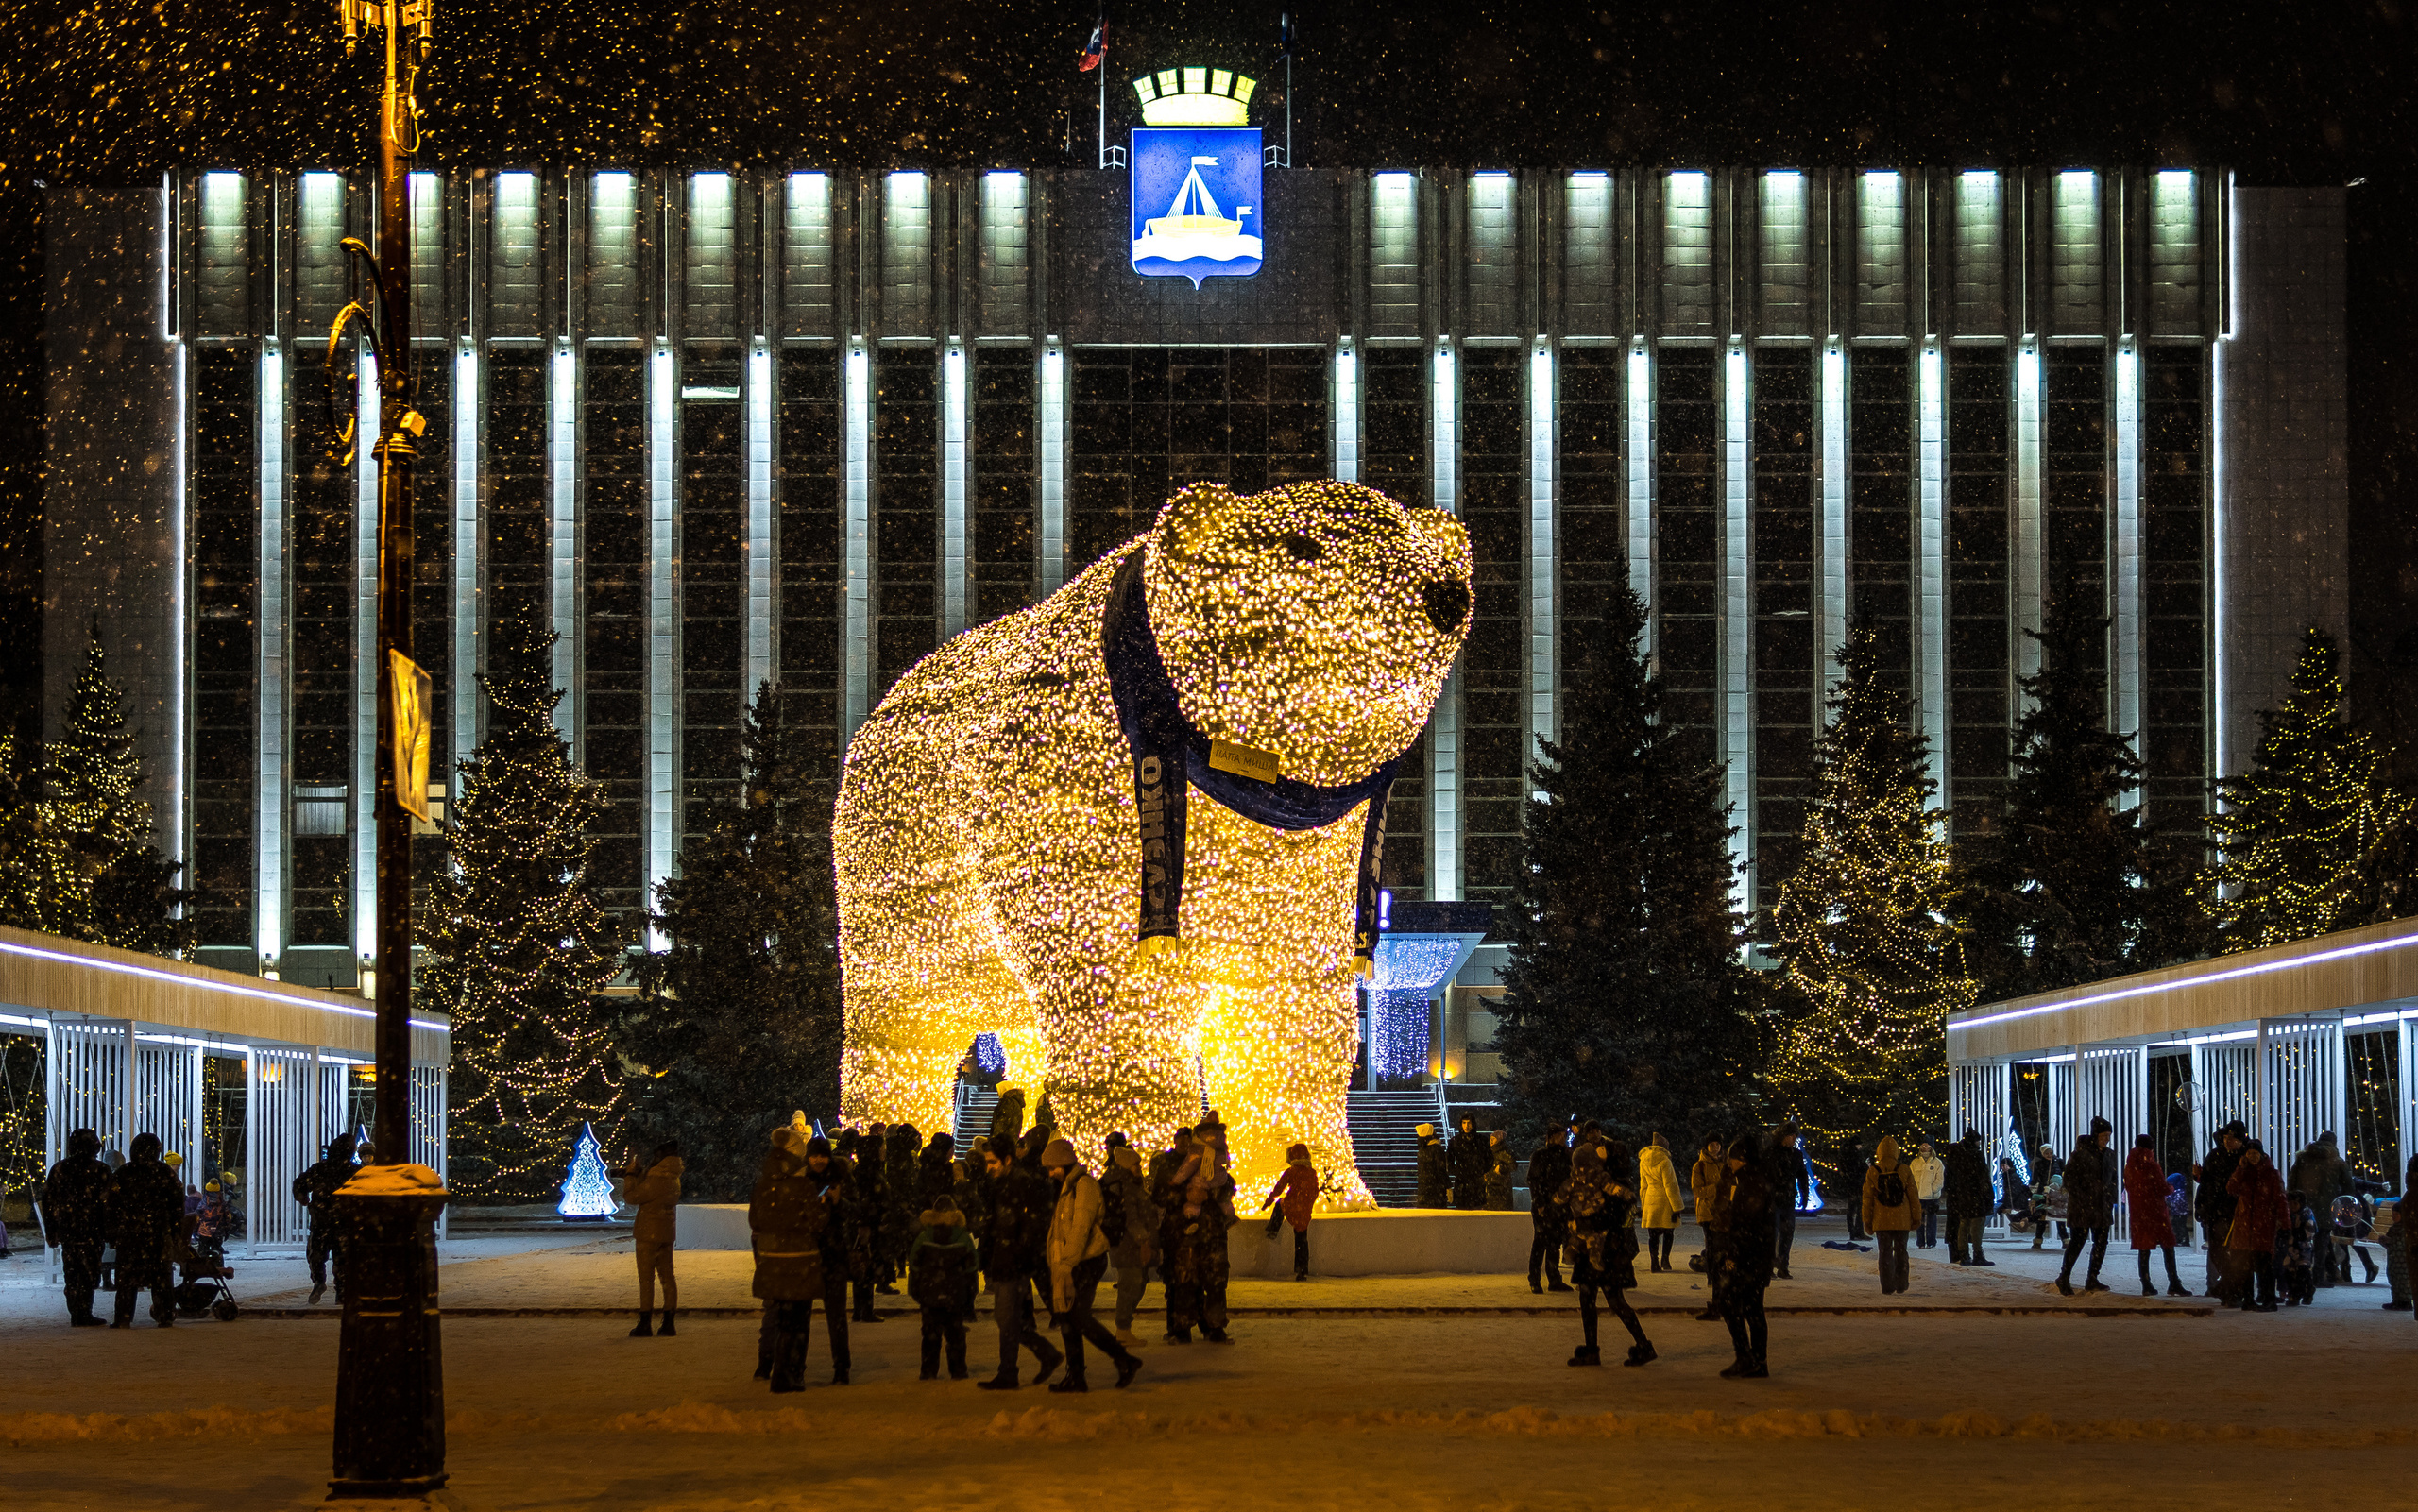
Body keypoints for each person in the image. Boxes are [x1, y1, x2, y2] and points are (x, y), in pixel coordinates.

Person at [1040, 1137, 1144, 1392]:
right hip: (1075, 1260)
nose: (1051, 1172)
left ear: (1064, 1163)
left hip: (1085, 1260)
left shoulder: (1083, 1186)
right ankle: (1079, 1374)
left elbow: (1080, 1229)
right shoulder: (1067, 1187)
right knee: (1069, 1317)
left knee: (1076, 1316)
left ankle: (1122, 1360)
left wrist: (1066, 1265)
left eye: (1053, 1167)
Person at [1558, 1140, 1654, 1368]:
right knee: (1597, 1297)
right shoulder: (1605, 1180)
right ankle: (1612, 1347)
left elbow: (1610, 1216)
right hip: (1605, 1248)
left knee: (1606, 1298)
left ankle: (1632, 1346)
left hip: (1605, 1249)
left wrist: (1582, 1221)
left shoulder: (1610, 1182)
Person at [977, 1132, 1063, 1388]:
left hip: (1013, 1261)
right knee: (1009, 1318)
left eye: (992, 1162)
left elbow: (1028, 1225)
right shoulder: (1005, 1183)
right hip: (1009, 1259)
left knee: (1006, 1317)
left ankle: (1014, 1369)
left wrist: (1016, 1252)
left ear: (1007, 1159)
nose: (988, 1168)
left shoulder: (1019, 1184)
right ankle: (1036, 1358)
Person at [749, 1128, 827, 1392]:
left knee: (776, 1315)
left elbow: (755, 1221)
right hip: (800, 1261)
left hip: (771, 1260)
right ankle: (790, 1372)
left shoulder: (762, 1186)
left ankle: (767, 1365)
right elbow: (817, 1222)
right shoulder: (804, 1187)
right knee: (797, 1321)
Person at [1157, 1124, 1238, 1344]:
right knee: (1185, 1282)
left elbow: (1229, 1186)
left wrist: (1209, 1193)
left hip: (1214, 1237)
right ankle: (1182, 1328)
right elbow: (1163, 1196)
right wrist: (1186, 1193)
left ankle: (1214, 1328)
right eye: (1180, 1139)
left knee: (1216, 1282)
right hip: (1186, 1236)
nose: (1184, 1143)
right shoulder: (1171, 1166)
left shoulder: (1215, 1165)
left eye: (1188, 1139)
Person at [1706, 1128, 1776, 1378]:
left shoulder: (1750, 1183)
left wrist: (1733, 1254)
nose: (1729, 1161)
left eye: (1733, 1158)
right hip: (1758, 1257)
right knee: (1753, 1309)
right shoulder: (1756, 1179)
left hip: (1748, 1258)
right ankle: (1758, 1360)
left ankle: (1747, 1358)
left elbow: (1746, 1224)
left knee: (1730, 1304)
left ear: (1743, 1159)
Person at [106, 1132, 186, 1329]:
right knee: (161, 1277)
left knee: (126, 1279)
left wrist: (113, 1231)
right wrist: (175, 1231)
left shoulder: (123, 1173)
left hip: (130, 1234)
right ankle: (165, 1315)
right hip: (158, 1233)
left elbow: (111, 1204)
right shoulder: (165, 1173)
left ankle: (123, 1317)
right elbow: (177, 1205)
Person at [41, 1127, 112, 1327]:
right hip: (93, 1228)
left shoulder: (60, 1169)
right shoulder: (101, 1170)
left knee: (72, 1271)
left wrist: (52, 1229)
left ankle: (77, 1311)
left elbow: (48, 1201)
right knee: (90, 1271)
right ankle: (84, 1311)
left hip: (69, 1229)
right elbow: (108, 1202)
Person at [908, 1201, 979, 1380]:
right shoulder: (963, 1237)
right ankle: (958, 1370)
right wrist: (969, 1296)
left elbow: (914, 1266)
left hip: (930, 1295)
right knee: (956, 1336)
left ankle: (928, 1371)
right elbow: (972, 1267)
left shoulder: (924, 1236)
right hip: (956, 1296)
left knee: (930, 1336)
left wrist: (919, 1293)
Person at [620, 1140, 683, 1337]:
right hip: (666, 1231)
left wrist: (630, 1176)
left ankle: (645, 1322)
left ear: (660, 1157)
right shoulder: (674, 1177)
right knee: (667, 1277)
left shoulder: (656, 1177)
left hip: (648, 1233)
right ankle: (668, 1322)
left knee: (646, 1278)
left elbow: (632, 1197)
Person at [1100, 1140, 1157, 1341]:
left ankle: (1124, 1326)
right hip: (1127, 1244)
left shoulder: (1129, 1184)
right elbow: (1131, 1217)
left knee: (1137, 1283)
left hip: (1128, 1243)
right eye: (1135, 1165)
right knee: (1131, 1285)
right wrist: (1143, 1240)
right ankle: (1123, 1328)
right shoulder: (1125, 1186)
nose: (1138, 1168)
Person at [293, 1132, 358, 1305]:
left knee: (316, 1254)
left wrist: (302, 1197)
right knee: (342, 1258)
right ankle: (341, 1291)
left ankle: (319, 1281)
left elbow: (300, 1184)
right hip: (344, 1223)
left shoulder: (321, 1169)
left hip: (322, 1221)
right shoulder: (355, 1172)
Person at [2056, 1116, 2118, 1297]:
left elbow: (2112, 1179)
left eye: (2108, 1135)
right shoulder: (2080, 1155)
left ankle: (2092, 1278)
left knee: (2100, 1242)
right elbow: (2069, 1180)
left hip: (2101, 1206)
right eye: (2104, 1135)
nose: (2107, 1139)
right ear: (2095, 1135)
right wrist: (2085, 1196)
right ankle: (2064, 1276)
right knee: (2078, 1242)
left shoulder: (2109, 1154)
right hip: (2083, 1207)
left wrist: (2109, 1199)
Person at [2225, 1140, 2288, 1312]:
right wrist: (2240, 1169)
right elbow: (2231, 1188)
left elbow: (2280, 1199)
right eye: (2249, 1153)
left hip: (2262, 1227)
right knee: (2246, 1266)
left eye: (2255, 1153)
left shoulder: (2271, 1174)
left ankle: (2268, 1299)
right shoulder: (2245, 1172)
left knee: (2264, 1266)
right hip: (2245, 1227)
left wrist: (2285, 1222)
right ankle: (2249, 1299)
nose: (2252, 1156)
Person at [2123, 1134, 2186, 1298]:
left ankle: (2146, 1283)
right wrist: (2171, 1188)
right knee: (2168, 1246)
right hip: (2156, 1211)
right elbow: (2162, 1188)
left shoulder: (2129, 1166)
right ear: (2151, 1148)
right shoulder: (2152, 1165)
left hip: (2139, 1212)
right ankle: (2174, 1282)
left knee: (2144, 1249)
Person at [2287, 1131, 2352, 1286]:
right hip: (2325, 1209)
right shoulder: (2337, 1162)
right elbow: (2349, 1187)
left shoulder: (2302, 1159)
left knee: (2300, 1240)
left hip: (2303, 1209)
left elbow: (2292, 1182)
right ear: (2334, 1144)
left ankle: (2299, 1273)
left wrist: (2294, 1202)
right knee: (2321, 1243)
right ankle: (2318, 1276)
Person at [2194, 1121, 2249, 1300]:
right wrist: (2201, 1205)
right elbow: (2207, 1183)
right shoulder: (2215, 1155)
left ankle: (2230, 1288)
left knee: (2235, 1252)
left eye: (2231, 1138)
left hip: (2236, 1213)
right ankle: (2227, 1285)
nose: (2227, 1141)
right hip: (2217, 1211)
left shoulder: (2246, 1158)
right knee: (2217, 1251)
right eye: (2226, 1137)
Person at [1861, 1135, 1919, 1295]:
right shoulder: (1904, 1169)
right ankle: (1901, 1283)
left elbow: (1867, 1199)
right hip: (1901, 1220)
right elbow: (1913, 1196)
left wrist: (1867, 1220)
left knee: (1884, 1252)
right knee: (1901, 1251)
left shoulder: (1873, 1171)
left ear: (1879, 1152)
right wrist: (1916, 1217)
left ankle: (1887, 1286)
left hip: (1881, 1220)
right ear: (1896, 1151)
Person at [1259, 1142, 1318, 1282]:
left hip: (1293, 1206)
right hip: (1304, 1210)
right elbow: (1314, 1191)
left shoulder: (1291, 1171)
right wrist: (1307, 1203)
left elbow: (1279, 1188)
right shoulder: (1312, 1172)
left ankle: (1273, 1229)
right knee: (1302, 1239)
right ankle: (1302, 1270)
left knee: (1280, 1204)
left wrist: (1268, 1201)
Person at [1527, 1128, 1575, 1292]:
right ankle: (1535, 1279)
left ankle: (1554, 1278)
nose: (1562, 1138)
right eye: (1559, 1135)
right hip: (1545, 1205)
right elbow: (1534, 1180)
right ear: (1551, 1137)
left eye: (1563, 1135)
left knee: (1554, 1242)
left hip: (1560, 1205)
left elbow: (1570, 1179)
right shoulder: (1541, 1155)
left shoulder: (1565, 1155)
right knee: (1540, 1241)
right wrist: (1540, 1203)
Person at [1943, 1128, 1993, 1266]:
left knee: (1963, 1224)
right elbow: (1983, 1177)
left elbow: (1950, 1178)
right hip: (1975, 1195)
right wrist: (1988, 1194)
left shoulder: (1955, 1155)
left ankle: (1963, 1254)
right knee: (1977, 1225)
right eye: (1978, 1141)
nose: (1979, 1144)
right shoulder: (1976, 1155)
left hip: (1961, 1196)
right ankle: (1978, 1254)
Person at [1637, 1133, 1682, 1275]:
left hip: (1651, 1199)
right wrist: (1677, 1207)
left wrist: (1644, 1205)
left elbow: (1643, 1185)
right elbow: (1671, 1185)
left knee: (1653, 1235)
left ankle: (1654, 1262)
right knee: (1669, 1231)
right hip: (1664, 1201)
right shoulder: (1665, 1161)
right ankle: (1665, 1259)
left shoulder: (1643, 1160)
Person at [1772, 1125, 1810, 1280]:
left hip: (1787, 1199)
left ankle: (1783, 1266)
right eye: (1792, 1135)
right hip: (1773, 1200)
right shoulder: (1772, 1154)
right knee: (1772, 1235)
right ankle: (1769, 1266)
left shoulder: (1796, 1154)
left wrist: (1804, 1194)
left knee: (1787, 1234)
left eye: (1796, 1136)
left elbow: (1802, 1175)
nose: (1794, 1139)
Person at [1689, 1134, 1726, 1267]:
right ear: (1706, 1147)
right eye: (1712, 1144)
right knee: (1711, 1244)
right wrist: (1717, 1188)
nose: (1715, 1147)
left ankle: (1719, 1271)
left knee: (1722, 1244)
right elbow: (1698, 1190)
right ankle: (1712, 1275)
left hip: (1723, 1212)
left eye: (1718, 1144)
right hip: (1707, 1211)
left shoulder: (1725, 1164)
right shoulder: (1699, 1166)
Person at [2032, 1142, 2068, 1250]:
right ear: (2043, 1154)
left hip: (2057, 1192)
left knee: (2058, 1215)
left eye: (2050, 1152)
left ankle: (2065, 1239)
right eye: (2047, 1153)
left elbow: (2064, 1174)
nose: (2049, 1155)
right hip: (2044, 1191)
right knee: (2042, 1217)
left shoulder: (2059, 1162)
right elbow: (2035, 1178)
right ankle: (2038, 1240)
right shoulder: (2039, 1164)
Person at [1447, 1117, 1490, 1210]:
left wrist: (1481, 1170)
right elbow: (1449, 1161)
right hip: (1464, 1183)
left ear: (1473, 1124)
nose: (1466, 1126)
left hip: (1473, 1182)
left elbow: (1489, 1159)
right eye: (1464, 1123)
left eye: (1468, 1123)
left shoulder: (1481, 1141)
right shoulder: (1455, 1141)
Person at [1911, 1140, 1946, 1249]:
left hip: (1932, 1197)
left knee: (1931, 1220)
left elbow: (1939, 1179)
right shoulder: (1915, 1162)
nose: (1924, 1148)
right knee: (1919, 1220)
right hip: (1918, 1196)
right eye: (1923, 1146)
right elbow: (1910, 1178)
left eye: (1927, 1146)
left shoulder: (1937, 1163)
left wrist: (1933, 1190)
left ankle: (1931, 1242)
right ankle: (1920, 1242)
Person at [1838, 1139, 1868, 1241]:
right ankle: (1858, 1232)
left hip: (1851, 1186)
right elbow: (1863, 1168)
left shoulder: (1845, 1155)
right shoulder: (1856, 1156)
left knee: (1851, 1209)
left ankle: (1853, 1232)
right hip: (1857, 1185)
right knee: (1859, 1209)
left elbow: (1844, 1170)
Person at [1414, 1123, 1448, 1209]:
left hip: (1423, 1190)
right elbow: (1441, 1170)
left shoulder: (1421, 1151)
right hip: (1436, 1191)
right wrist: (1448, 1186)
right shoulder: (1437, 1149)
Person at [1998, 1157, 2033, 1236]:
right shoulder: (2007, 1176)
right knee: (1996, 1207)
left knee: (1995, 1208)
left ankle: (2017, 1222)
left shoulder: (2012, 1176)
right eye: (2001, 1166)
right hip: (2014, 1200)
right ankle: (2017, 1222)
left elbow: (2013, 1192)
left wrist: (2005, 1204)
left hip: (2017, 1201)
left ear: (2009, 1166)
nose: (2002, 1168)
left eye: (2004, 1166)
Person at [1484, 1131, 1516, 1211]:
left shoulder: (1503, 1153)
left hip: (1501, 1190)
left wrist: (1501, 1168)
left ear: (1498, 1140)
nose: (1491, 1141)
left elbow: (1513, 1166)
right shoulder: (1490, 1152)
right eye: (1490, 1139)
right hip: (1492, 1188)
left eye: (1493, 1139)